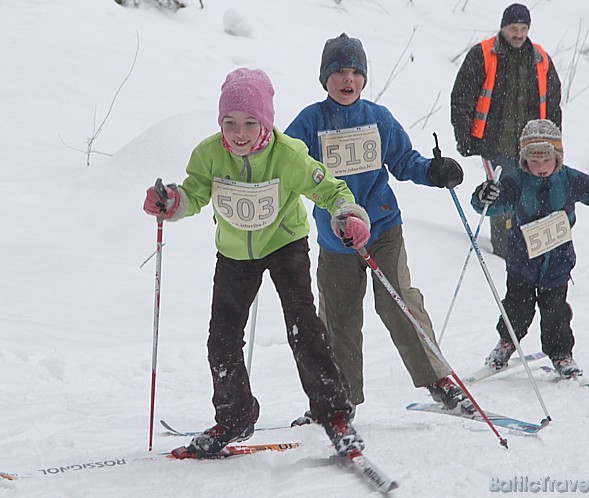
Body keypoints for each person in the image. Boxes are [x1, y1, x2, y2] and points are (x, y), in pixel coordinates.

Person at [143, 68, 373, 458]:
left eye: (251, 122)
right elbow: (194, 193)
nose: (240, 132)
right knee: (222, 337)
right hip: (234, 253)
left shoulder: (288, 155)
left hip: (285, 244)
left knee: (303, 326)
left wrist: (347, 213)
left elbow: (330, 189)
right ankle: (235, 415)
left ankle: (333, 412)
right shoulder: (209, 154)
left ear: (265, 122)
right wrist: (171, 202)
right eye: (230, 122)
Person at [285, 33, 474, 416]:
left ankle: (439, 379)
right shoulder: (310, 121)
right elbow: (285, 165)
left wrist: (434, 171)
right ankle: (340, 399)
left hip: (383, 228)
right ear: (325, 78)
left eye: (355, 71)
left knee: (399, 301)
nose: (347, 79)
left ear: (365, 78)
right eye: (339, 71)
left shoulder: (377, 118)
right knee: (338, 318)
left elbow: (405, 161)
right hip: (336, 239)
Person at [470, 119, 589, 378]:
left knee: (556, 313)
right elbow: (489, 205)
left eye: (546, 160)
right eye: (534, 161)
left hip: (557, 264)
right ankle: (506, 343)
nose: (541, 167)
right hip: (522, 264)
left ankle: (561, 355)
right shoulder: (516, 182)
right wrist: (483, 196)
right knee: (516, 309)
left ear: (558, 157)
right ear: (524, 161)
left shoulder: (569, 179)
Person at [451, 3, 562, 259]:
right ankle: (504, 253)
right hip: (495, 144)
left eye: (524, 28)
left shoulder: (540, 58)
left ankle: (535, 250)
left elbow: (553, 103)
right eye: (514, 28)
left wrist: (554, 142)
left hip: (534, 146)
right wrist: (465, 136)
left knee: (536, 196)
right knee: (503, 196)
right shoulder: (483, 54)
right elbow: (462, 97)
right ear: (503, 27)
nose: (519, 34)